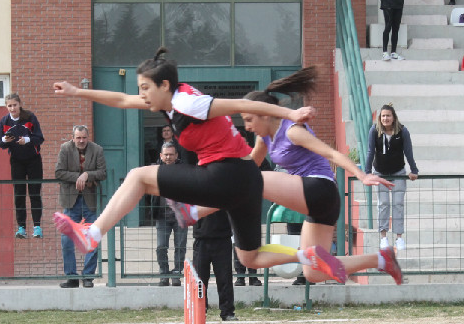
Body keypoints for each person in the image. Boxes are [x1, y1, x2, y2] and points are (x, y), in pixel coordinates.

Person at [52, 48, 348, 284]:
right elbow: (121, 99)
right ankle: (307, 255)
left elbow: (246, 106)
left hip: (227, 174)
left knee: (138, 177)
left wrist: (290, 113)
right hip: (244, 179)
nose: (140, 94)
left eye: (144, 88)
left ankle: (93, 233)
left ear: (164, 85)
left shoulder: (190, 104)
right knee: (250, 258)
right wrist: (78, 92)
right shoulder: (166, 102)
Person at [172, 67, 405, 284]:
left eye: (250, 120)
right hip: (318, 205)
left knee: (251, 181)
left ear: (265, 114)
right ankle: (382, 259)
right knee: (313, 271)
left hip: (320, 188)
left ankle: (194, 211)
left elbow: (330, 153)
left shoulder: (292, 131)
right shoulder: (265, 138)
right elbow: (248, 165)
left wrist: (362, 176)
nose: (248, 127)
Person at [55, 125, 107, 289]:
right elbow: (59, 172)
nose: (81, 140)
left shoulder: (97, 149)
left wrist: (87, 175)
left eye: (84, 137)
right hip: (70, 200)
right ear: (73, 138)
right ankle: (71, 277)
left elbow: (103, 172)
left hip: (90, 200)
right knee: (66, 240)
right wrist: (79, 177)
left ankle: (88, 277)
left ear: (88, 137)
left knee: (92, 238)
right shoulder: (65, 149)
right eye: (78, 138)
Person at [364, 105, 420, 252]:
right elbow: (370, 152)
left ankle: (399, 237)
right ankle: (383, 238)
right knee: (383, 204)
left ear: (393, 117)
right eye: (383, 116)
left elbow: (408, 151)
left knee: (398, 204)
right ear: (380, 118)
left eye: (388, 116)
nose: (385, 118)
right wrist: (367, 172)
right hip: (380, 173)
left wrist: (414, 170)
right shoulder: (374, 131)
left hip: (398, 173)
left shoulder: (402, 131)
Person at [0, 92, 45, 239]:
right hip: (16, 161)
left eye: (14, 105)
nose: (12, 108)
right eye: (9, 106)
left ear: (20, 105)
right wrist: (5, 139)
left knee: (35, 193)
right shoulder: (4, 121)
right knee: (19, 194)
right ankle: (21, 228)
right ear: (6, 106)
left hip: (34, 160)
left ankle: (37, 227)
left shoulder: (30, 117)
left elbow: (40, 138)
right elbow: (0, 142)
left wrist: (27, 140)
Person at [152, 141, 188, 286]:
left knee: (180, 247)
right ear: (161, 155)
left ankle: (176, 274)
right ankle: (164, 274)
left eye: (171, 154)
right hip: (161, 215)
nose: (168, 157)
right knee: (161, 247)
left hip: (180, 215)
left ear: (176, 155)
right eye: (166, 154)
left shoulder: (184, 170)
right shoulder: (154, 170)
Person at [193, 210, 237, 321]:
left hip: (223, 237)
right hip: (201, 237)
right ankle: (199, 311)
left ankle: (227, 312)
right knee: (200, 280)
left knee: (225, 278)